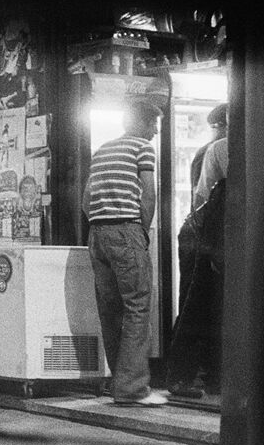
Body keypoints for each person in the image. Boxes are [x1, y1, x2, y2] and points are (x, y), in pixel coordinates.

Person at [83, 98, 166, 406]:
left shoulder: (102, 150)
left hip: (97, 234)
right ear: (140, 122)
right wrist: (141, 231)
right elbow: (149, 195)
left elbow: (86, 199)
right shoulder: (142, 148)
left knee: (111, 310)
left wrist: (101, 224)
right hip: (126, 230)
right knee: (137, 307)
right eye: (153, 124)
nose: (155, 131)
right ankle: (133, 389)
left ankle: (119, 383)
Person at [168, 105, 229, 397]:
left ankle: (202, 373)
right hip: (207, 236)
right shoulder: (218, 150)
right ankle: (196, 374)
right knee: (201, 304)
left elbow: (200, 197)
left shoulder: (211, 150)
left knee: (197, 304)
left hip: (204, 234)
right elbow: (203, 197)